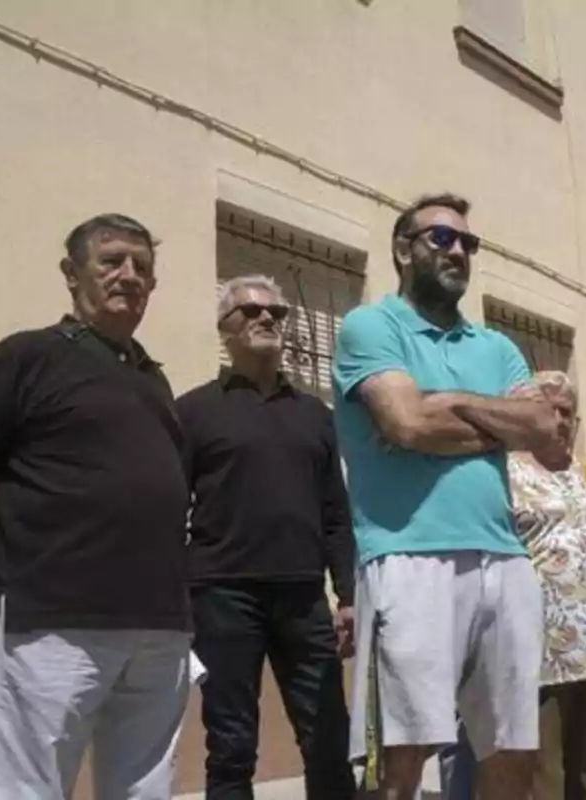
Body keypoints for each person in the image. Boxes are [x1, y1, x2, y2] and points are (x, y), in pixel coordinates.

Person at [0, 214, 192, 798]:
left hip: (159, 628)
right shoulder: (26, 356)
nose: (129, 275)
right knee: (26, 788)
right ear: (71, 273)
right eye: (111, 260)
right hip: (49, 626)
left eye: (142, 266)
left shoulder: (153, 379)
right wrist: (3, 573)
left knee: (146, 788)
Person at [332, 193, 565, 800]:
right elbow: (406, 423)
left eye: (468, 242)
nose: (458, 250)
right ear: (402, 250)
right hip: (409, 557)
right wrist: (494, 423)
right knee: (399, 758)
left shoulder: (497, 346)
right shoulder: (370, 327)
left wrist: (449, 406)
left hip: (505, 559)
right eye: (441, 238)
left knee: (512, 748)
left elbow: (544, 430)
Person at [176, 274, 357, 799]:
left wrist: (347, 594)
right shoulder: (192, 412)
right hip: (222, 597)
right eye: (251, 312)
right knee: (231, 743)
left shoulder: (315, 416)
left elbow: (336, 512)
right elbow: (170, 509)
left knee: (327, 737)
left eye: (275, 314)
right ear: (225, 331)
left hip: (304, 598)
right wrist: (178, 597)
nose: (265, 320)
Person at [509, 371, 586, 800]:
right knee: (545, 774)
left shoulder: (582, 474)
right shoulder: (508, 471)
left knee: (582, 773)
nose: (559, 419)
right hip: (539, 650)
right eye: (547, 409)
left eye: (567, 411)